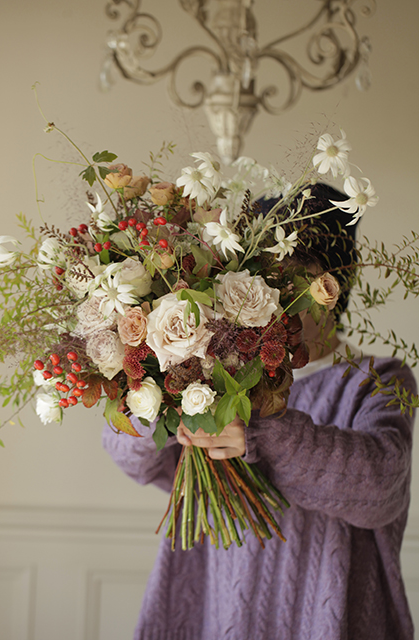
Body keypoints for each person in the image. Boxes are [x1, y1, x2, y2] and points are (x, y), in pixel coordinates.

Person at [102, 185, 416, 640]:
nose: (277, 292)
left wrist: (261, 434)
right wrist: (164, 389)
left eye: (295, 273)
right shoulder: (220, 371)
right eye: (268, 274)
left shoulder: (377, 379)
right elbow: (131, 456)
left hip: (325, 612)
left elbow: (382, 484)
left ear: (333, 285)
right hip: (212, 601)